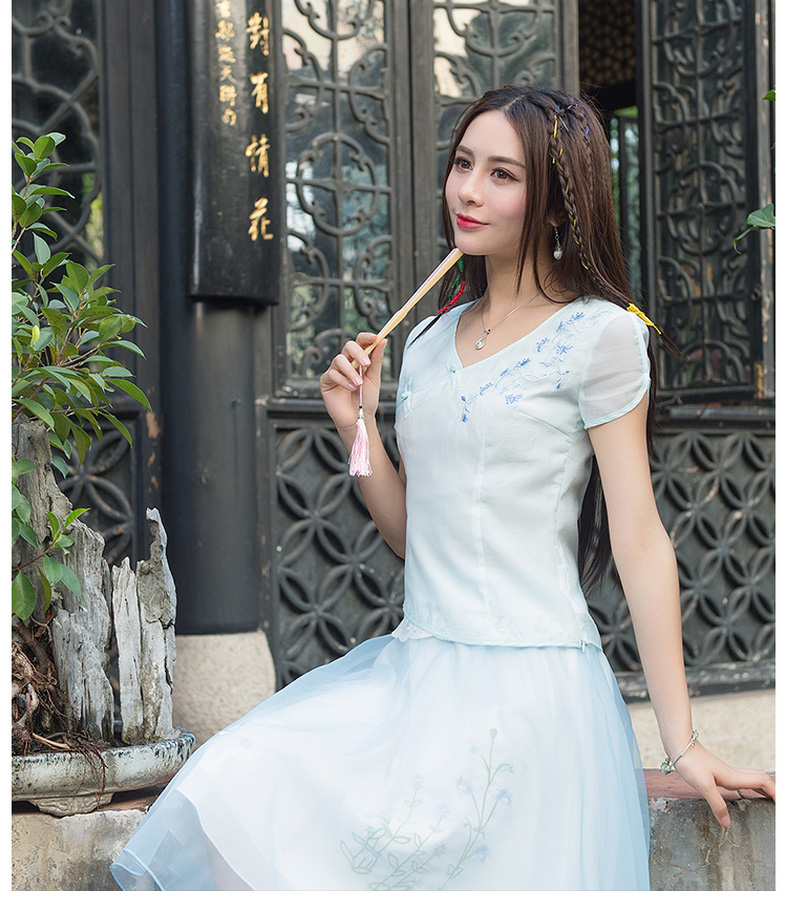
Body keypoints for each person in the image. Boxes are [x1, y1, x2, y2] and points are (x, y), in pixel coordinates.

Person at [111, 85, 774, 891]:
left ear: (556, 203)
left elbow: (638, 539)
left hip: (529, 697)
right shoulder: (425, 340)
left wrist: (682, 741)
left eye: (502, 174)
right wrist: (354, 424)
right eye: (463, 164)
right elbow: (408, 533)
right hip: (415, 677)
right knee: (234, 775)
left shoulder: (600, 335)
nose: (468, 190)